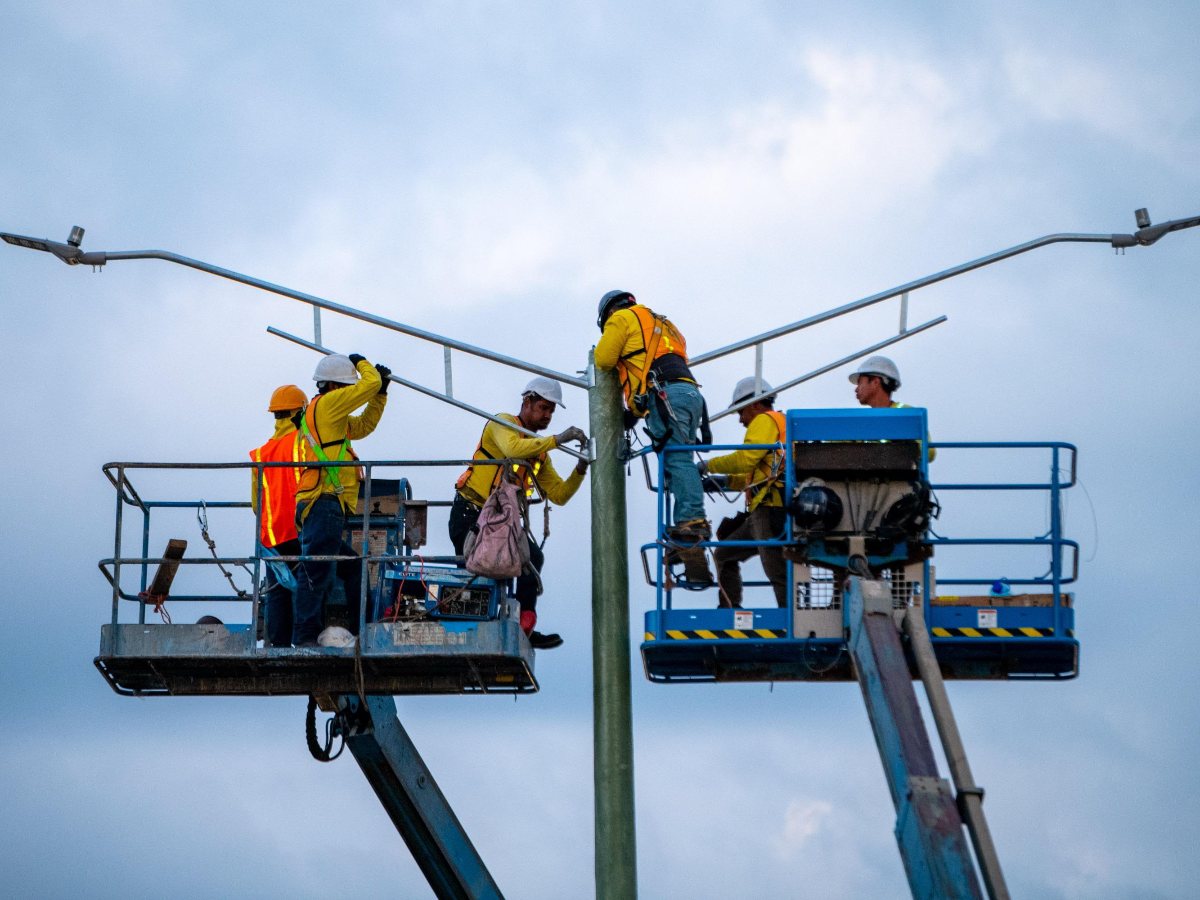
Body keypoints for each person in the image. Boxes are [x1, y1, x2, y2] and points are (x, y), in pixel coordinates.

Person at [449, 377, 589, 649]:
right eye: (543, 407)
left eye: (551, 410)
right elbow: (513, 448)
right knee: (476, 571)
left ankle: (525, 625)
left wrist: (580, 468)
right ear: (527, 402)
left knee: (532, 558)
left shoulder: (539, 453)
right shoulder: (504, 423)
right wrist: (558, 439)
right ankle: (467, 626)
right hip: (471, 514)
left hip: (501, 523)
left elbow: (559, 495)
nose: (547, 415)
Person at [593, 289, 712, 583]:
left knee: (677, 459)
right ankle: (682, 532)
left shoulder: (621, 318)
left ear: (608, 312)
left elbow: (604, 359)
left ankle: (692, 523)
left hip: (665, 395)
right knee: (674, 462)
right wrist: (633, 413)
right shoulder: (664, 323)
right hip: (688, 394)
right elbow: (653, 361)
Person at [292, 353, 390, 647]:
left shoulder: (330, 415)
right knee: (317, 570)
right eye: (347, 386)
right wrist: (363, 364)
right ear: (334, 386)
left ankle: (364, 630)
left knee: (353, 567)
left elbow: (363, 427)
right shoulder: (328, 406)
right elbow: (367, 384)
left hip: (328, 505)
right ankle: (305, 637)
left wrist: (380, 394)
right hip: (324, 502)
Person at [699, 377, 789, 608]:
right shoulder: (776, 423)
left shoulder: (765, 420)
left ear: (755, 404)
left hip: (770, 510)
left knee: (777, 570)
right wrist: (721, 482)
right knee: (724, 554)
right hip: (763, 510)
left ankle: (791, 620)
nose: (740, 419)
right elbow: (754, 475)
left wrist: (708, 465)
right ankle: (729, 610)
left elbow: (746, 459)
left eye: (741, 412)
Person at [249, 384, 306, 647]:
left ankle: (279, 645)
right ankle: (308, 638)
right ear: (298, 413)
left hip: (272, 537)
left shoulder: (261, 454)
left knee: (277, 590)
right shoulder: (304, 443)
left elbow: (255, 504)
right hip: (300, 530)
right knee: (313, 582)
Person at [850, 355, 935, 460]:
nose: (856, 389)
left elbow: (929, 452)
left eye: (860, 383)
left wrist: (902, 446)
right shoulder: (861, 421)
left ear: (875, 382)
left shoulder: (907, 414)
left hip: (898, 475)